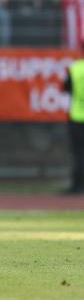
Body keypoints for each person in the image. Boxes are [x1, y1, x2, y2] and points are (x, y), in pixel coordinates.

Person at [62, 52, 84, 195]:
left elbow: (66, 88)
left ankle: (78, 185)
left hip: (77, 116)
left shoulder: (75, 68)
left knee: (78, 153)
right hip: (76, 117)